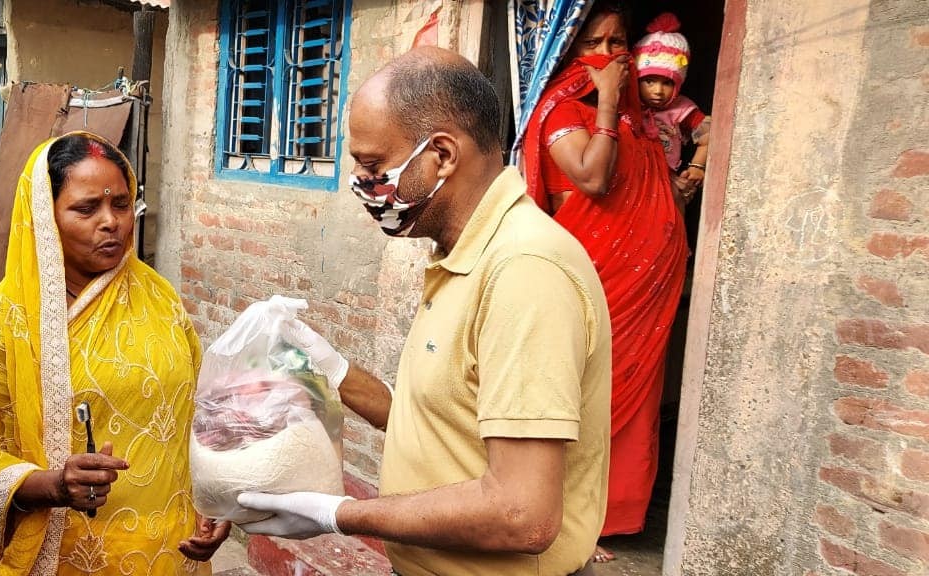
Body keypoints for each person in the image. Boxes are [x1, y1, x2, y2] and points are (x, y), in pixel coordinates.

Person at [234, 47, 612, 576]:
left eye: (372, 165)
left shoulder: (524, 270)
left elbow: (522, 514)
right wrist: (330, 371)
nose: (361, 183)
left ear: (442, 155)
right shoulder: (461, 254)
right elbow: (443, 424)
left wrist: (343, 514)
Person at [0, 132, 230, 575]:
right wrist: (52, 485)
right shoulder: (3, 317)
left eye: (121, 204)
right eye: (86, 208)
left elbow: (198, 414)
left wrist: (216, 501)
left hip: (169, 550)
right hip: (68, 558)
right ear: (45, 216)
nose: (111, 221)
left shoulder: (160, 298)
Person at [520, 1, 690, 563]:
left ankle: (605, 519)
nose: (613, 55)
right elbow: (592, 178)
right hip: (595, 282)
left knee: (633, 405)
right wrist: (611, 101)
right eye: (598, 42)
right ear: (570, 50)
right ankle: (559, 519)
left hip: (645, 290)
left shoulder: (641, 122)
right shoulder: (561, 111)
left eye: (621, 44)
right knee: (577, 398)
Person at [635, 12, 712, 209]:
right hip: (634, 182)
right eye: (649, 81)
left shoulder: (681, 108)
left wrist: (696, 166)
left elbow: (708, 135)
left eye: (667, 82)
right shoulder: (629, 105)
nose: (658, 91)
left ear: (679, 83)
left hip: (667, 183)